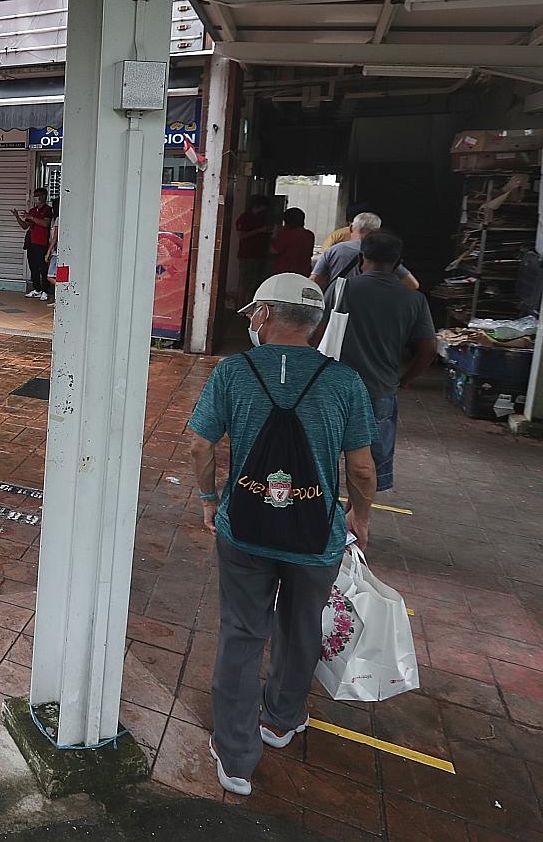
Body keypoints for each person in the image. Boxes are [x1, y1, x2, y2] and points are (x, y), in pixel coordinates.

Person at [186, 273, 377, 798]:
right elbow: (361, 469)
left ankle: (235, 755)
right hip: (316, 534)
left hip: (244, 529)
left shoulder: (233, 372)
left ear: (266, 315)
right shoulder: (344, 383)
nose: (250, 320)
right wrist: (360, 517)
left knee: (242, 633)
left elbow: (200, 447)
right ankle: (282, 720)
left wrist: (209, 499)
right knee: (301, 626)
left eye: (253, 312)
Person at [326, 232, 437, 496]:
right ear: (398, 262)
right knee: (368, 466)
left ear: (362, 257)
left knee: (324, 457)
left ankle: (322, 515)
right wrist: (406, 379)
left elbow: (317, 335)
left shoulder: (342, 289)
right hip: (380, 391)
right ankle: (357, 523)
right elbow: (429, 349)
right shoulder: (414, 300)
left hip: (335, 390)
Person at [310, 212, 420, 291]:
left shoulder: (334, 250)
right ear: (377, 231)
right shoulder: (384, 252)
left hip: (337, 308)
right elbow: (412, 284)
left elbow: (314, 282)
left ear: (352, 227)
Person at [14, 188, 55, 300]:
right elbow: (25, 226)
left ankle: (45, 291)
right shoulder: (32, 210)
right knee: (33, 267)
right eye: (35, 195)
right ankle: (37, 289)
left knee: (43, 267)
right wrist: (17, 217)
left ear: (44, 196)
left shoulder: (48, 210)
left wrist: (31, 217)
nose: (36, 197)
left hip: (41, 243)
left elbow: (45, 223)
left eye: (38, 195)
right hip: (31, 242)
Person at [234, 195, 272, 302]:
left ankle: (247, 306)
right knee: (245, 284)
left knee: (253, 284)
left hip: (259, 254)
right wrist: (259, 230)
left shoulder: (262, 218)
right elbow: (241, 235)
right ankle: (241, 307)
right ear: (259, 206)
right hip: (247, 255)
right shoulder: (245, 217)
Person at [270, 207, 315, 277]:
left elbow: (274, 250)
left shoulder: (286, 235)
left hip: (285, 273)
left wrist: (275, 234)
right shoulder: (310, 235)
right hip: (304, 273)